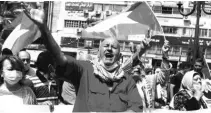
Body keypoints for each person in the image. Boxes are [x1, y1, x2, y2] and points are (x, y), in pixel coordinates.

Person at [25, 8, 155, 112]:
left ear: (119, 57)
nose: (109, 49)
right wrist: (44, 29)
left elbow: (136, 107)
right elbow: (61, 57)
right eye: (106, 46)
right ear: (98, 54)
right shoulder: (85, 70)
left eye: (114, 47)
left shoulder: (127, 80)